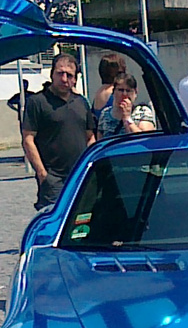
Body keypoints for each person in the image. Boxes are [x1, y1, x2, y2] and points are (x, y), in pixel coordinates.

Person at [22, 52, 93, 211]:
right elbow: (28, 139)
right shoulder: (38, 102)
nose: (64, 79)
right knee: (54, 222)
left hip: (79, 176)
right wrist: (42, 174)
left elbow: (90, 137)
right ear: (51, 74)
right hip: (53, 179)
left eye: (69, 75)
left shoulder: (81, 102)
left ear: (75, 79)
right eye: (60, 73)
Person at [96, 74, 157, 139]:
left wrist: (127, 119)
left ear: (135, 93)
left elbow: (146, 140)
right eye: (120, 90)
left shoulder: (143, 112)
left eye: (128, 91)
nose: (124, 94)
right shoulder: (105, 114)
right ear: (113, 92)